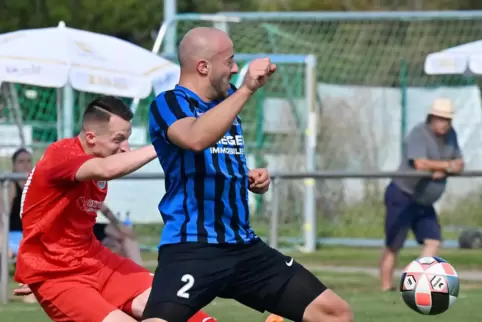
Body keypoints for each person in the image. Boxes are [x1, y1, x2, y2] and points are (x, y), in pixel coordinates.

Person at [141, 27, 353, 322]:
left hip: (243, 247)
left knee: (335, 314)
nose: (236, 68)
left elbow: (216, 159)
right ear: (203, 67)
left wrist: (249, 177)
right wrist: (247, 88)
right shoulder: (169, 103)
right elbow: (194, 138)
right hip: (192, 247)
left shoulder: (226, 106)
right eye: (229, 61)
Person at [13, 96, 217, 322]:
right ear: (91, 137)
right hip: (58, 275)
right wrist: (165, 142)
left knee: (181, 309)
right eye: (118, 139)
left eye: (127, 139)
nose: (125, 148)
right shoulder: (63, 155)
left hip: (95, 261)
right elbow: (106, 169)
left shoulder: (96, 162)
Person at [379, 98, 464, 292]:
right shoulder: (419, 132)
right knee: (394, 245)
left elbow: (459, 162)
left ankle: (416, 283)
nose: (444, 123)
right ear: (431, 118)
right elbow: (420, 163)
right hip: (402, 195)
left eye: (448, 119)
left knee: (433, 241)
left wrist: (449, 167)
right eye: (441, 118)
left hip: (423, 201)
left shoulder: (452, 136)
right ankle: (385, 288)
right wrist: (446, 166)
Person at [0, 148, 37, 303]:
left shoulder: (38, 184)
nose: (26, 165)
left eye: (29, 161)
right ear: (14, 165)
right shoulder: (10, 185)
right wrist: (4, 242)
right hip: (11, 235)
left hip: (31, 236)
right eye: (21, 162)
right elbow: (2, 217)